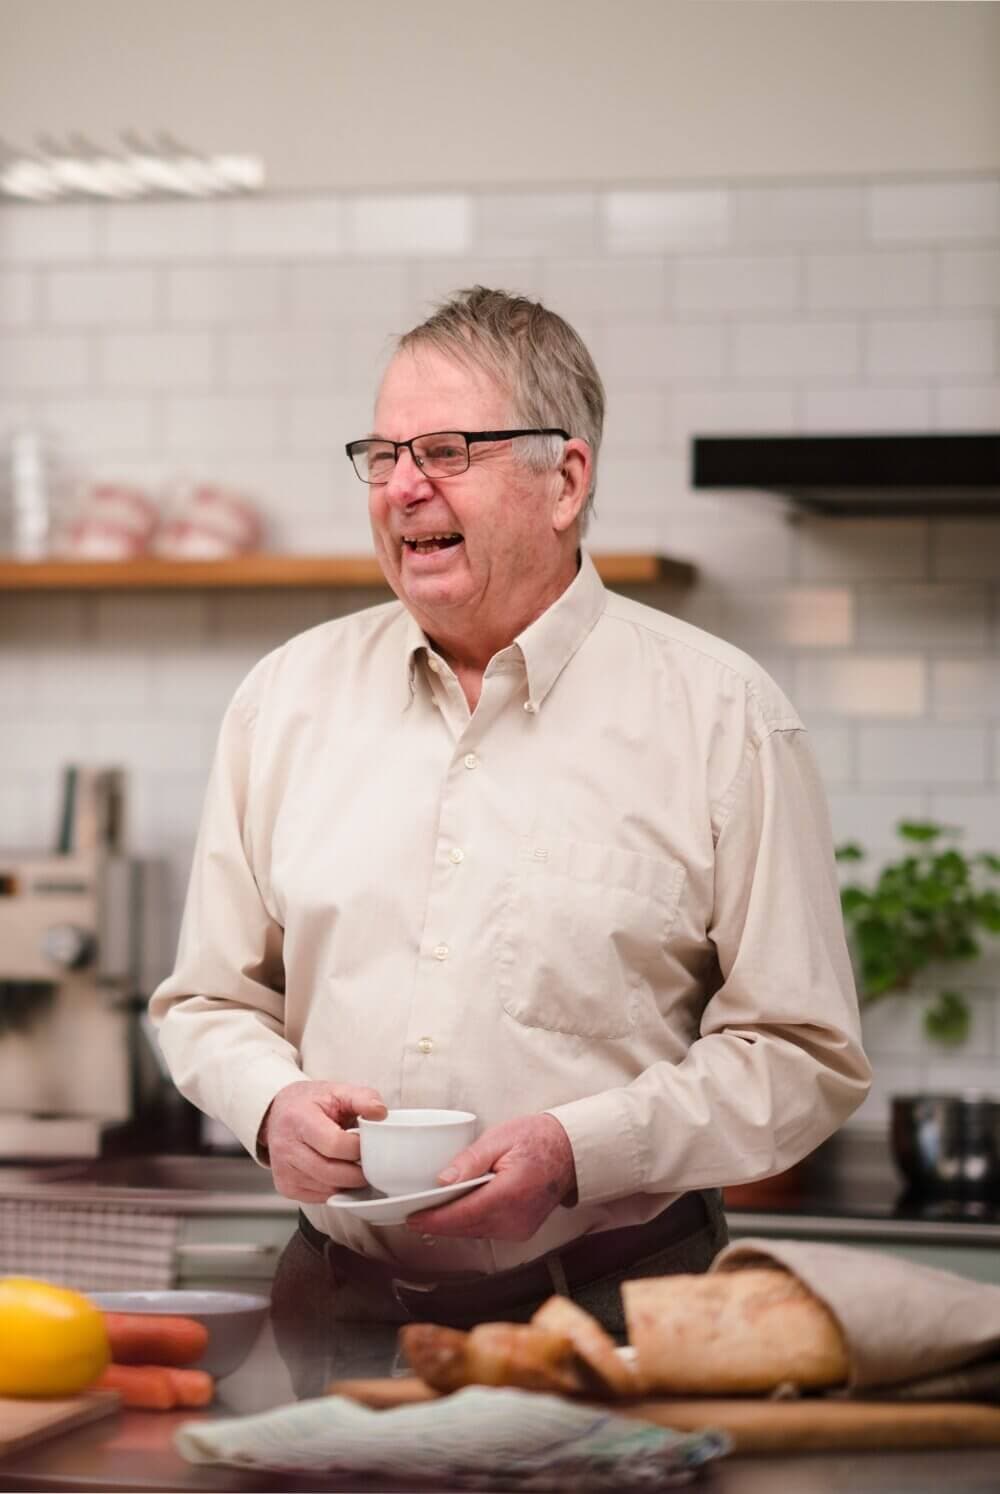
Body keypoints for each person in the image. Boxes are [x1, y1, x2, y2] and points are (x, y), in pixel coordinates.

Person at [150, 286, 870, 1391]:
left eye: (445, 449)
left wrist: (578, 1153)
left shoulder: (724, 713)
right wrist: (268, 1104)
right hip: (337, 1317)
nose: (402, 487)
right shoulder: (280, 701)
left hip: (622, 1318)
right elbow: (207, 1001)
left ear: (565, 481)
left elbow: (802, 1052)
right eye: (382, 454)